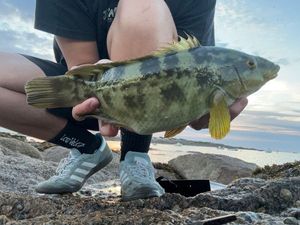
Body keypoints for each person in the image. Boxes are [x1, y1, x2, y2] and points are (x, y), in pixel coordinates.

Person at [0, 0, 248, 201]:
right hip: (89, 96)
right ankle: (88, 148)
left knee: (142, 6)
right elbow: (81, 66)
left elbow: (192, 64)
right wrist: (97, 83)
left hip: (155, 102)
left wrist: (206, 109)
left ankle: (135, 155)